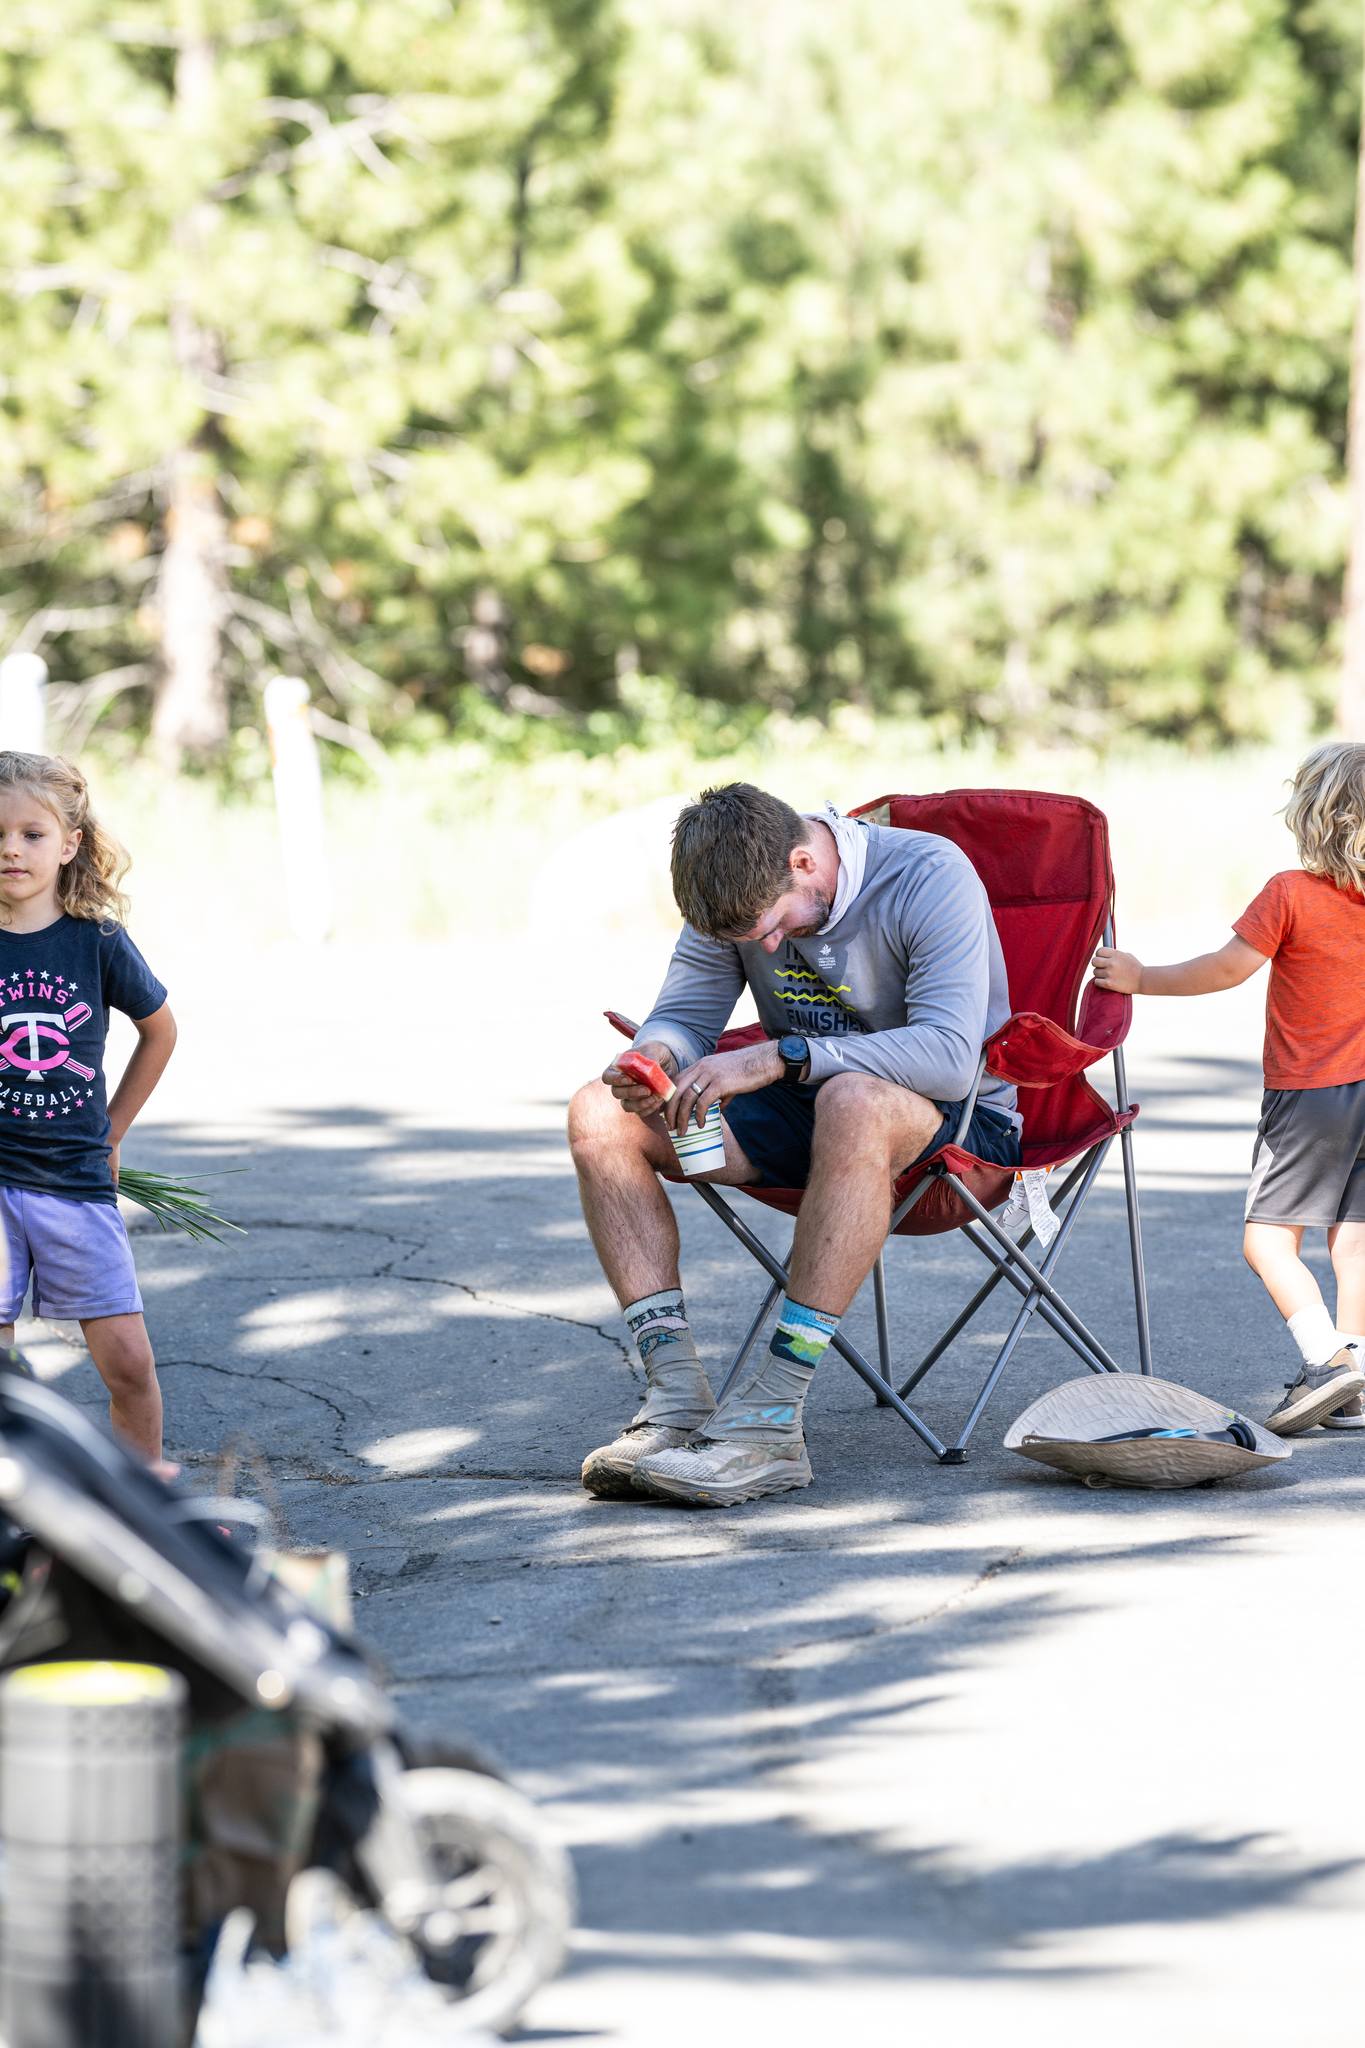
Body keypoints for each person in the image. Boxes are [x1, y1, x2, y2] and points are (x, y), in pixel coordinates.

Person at [567, 783, 1021, 1508]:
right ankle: (676, 1397)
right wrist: (652, 1058)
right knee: (597, 1112)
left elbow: (947, 1057)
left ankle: (773, 1418)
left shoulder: (929, 874)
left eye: (772, 926)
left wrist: (780, 1056)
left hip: (953, 1127)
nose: (769, 949)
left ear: (805, 861)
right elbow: (685, 1014)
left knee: (852, 1098)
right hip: (801, 1111)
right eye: (749, 941)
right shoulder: (735, 893)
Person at [1093, 740, 1365, 1437]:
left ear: (1313, 818)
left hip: (1312, 1096)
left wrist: (1140, 976)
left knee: (1266, 1242)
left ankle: (1326, 1359)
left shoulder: (1290, 893)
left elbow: (1223, 970)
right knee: (1353, 1239)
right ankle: (1355, 1377)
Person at [0, 752, 176, 1464]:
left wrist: (112, 1131)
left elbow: (159, 1029)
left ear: (69, 843)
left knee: (129, 1363)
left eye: (31, 834)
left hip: (74, 1179)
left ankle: (144, 1503)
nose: (11, 848)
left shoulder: (95, 940)